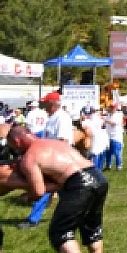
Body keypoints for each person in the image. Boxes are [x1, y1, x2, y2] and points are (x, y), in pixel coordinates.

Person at [7, 126, 106, 253]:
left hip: (79, 183)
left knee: (60, 230)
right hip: (98, 176)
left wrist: (27, 196)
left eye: (13, 145)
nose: (14, 149)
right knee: (92, 224)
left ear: (17, 141)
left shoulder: (30, 158)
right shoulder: (54, 142)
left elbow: (38, 192)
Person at [22, 92, 75, 227]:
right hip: (52, 158)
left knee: (45, 188)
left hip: (58, 159)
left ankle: (33, 220)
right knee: (63, 191)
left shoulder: (61, 118)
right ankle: (74, 217)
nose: (43, 105)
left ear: (51, 103)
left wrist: (51, 159)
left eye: (45, 102)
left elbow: (62, 140)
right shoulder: (52, 117)